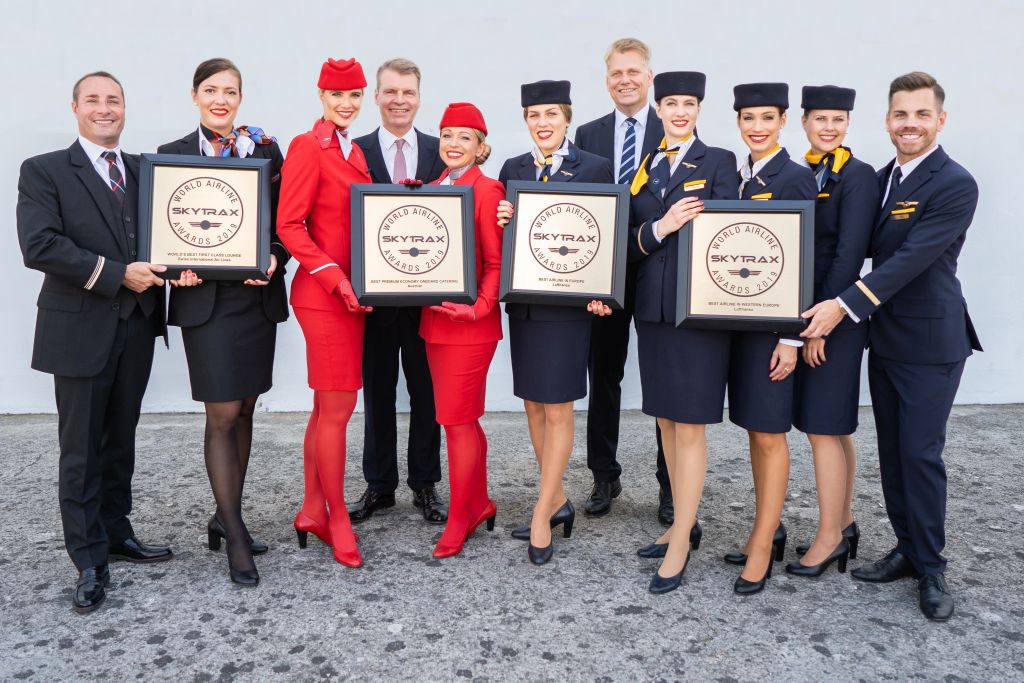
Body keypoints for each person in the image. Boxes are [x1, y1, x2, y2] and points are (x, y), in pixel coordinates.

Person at [802, 72, 981, 621]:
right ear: (887, 121)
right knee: (894, 453)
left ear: (940, 120)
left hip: (930, 340)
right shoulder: (879, 179)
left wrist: (840, 306)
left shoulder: (955, 183)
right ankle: (906, 547)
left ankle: (931, 567)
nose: (910, 124)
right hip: (885, 337)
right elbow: (845, 241)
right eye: (901, 114)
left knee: (921, 454)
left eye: (922, 114)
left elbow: (910, 260)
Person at [17, 71, 177, 613]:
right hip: (79, 327)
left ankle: (116, 531)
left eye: (114, 100)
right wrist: (116, 275)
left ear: (125, 108)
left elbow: (168, 235)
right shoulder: (43, 170)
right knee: (81, 447)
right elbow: (40, 245)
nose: (104, 109)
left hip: (137, 324)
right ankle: (87, 558)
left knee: (120, 438)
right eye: (93, 100)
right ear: (75, 107)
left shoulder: (145, 171)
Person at [601, 71, 737, 593]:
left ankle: (681, 539)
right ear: (657, 110)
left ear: (699, 110)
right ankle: (682, 522)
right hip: (653, 312)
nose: (679, 112)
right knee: (665, 421)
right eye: (671, 104)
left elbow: (728, 234)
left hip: (697, 312)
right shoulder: (648, 165)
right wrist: (662, 227)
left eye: (689, 104)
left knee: (690, 426)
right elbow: (628, 242)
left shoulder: (718, 161)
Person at [157, 58, 290, 586]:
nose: (220, 99)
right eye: (211, 90)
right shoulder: (170, 156)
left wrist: (276, 255)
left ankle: (224, 512)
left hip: (255, 299)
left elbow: (285, 220)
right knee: (222, 412)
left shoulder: (265, 150)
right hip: (206, 301)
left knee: (247, 407)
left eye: (230, 91)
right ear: (194, 95)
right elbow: (162, 228)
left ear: (240, 98)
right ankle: (234, 532)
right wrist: (173, 270)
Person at [496, 80, 614, 564]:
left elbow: (604, 234)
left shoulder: (595, 167)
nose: (542, 123)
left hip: (567, 308)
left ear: (567, 117)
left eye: (551, 114)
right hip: (526, 304)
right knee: (532, 404)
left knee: (559, 407)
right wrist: (501, 219)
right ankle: (558, 497)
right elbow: (505, 242)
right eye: (533, 115)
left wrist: (603, 291)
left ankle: (542, 514)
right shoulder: (514, 168)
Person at [276, 57, 373, 568]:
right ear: (321, 96)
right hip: (324, 295)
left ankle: (313, 509)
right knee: (338, 410)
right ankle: (337, 519)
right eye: (337, 95)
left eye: (354, 95)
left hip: (352, 296)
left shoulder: (354, 150)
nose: (346, 104)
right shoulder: (307, 146)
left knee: (325, 409)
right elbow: (289, 226)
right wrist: (336, 277)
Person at [574, 37, 672, 523]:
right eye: (616, 73)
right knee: (604, 374)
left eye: (633, 71)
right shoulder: (587, 134)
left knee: (664, 380)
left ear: (648, 77)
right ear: (607, 79)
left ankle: (670, 484)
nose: (625, 80)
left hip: (657, 268)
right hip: (604, 273)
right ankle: (603, 475)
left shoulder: (673, 126)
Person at [723, 83, 817, 595]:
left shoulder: (794, 177)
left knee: (769, 434)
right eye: (748, 118)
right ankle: (767, 527)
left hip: (773, 330)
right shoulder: (739, 177)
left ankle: (762, 545)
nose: (756, 127)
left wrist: (790, 337)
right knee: (754, 431)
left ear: (783, 121)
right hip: (738, 324)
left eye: (766, 118)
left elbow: (801, 260)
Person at [784, 85, 878, 579]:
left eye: (838, 120)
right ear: (804, 121)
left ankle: (829, 539)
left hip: (834, 315)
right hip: (810, 314)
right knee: (831, 427)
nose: (829, 127)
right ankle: (843, 522)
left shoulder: (857, 175)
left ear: (848, 124)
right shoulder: (805, 172)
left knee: (824, 426)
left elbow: (849, 252)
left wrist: (822, 323)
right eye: (820, 119)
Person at [351, 59, 448, 526]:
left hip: (429, 300)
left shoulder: (440, 150)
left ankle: (425, 483)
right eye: (390, 91)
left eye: (407, 92)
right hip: (373, 300)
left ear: (419, 97)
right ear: (376, 96)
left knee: (427, 393)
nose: (399, 100)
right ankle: (380, 484)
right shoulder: (355, 150)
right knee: (378, 393)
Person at [420, 103, 504, 558]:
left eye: (464, 137)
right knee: (462, 418)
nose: (453, 144)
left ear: (480, 146)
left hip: (471, 327)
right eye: (447, 134)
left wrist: (479, 309)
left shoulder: (487, 190)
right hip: (435, 324)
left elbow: (495, 262)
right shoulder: (431, 190)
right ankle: (480, 502)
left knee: (455, 421)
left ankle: (459, 518)